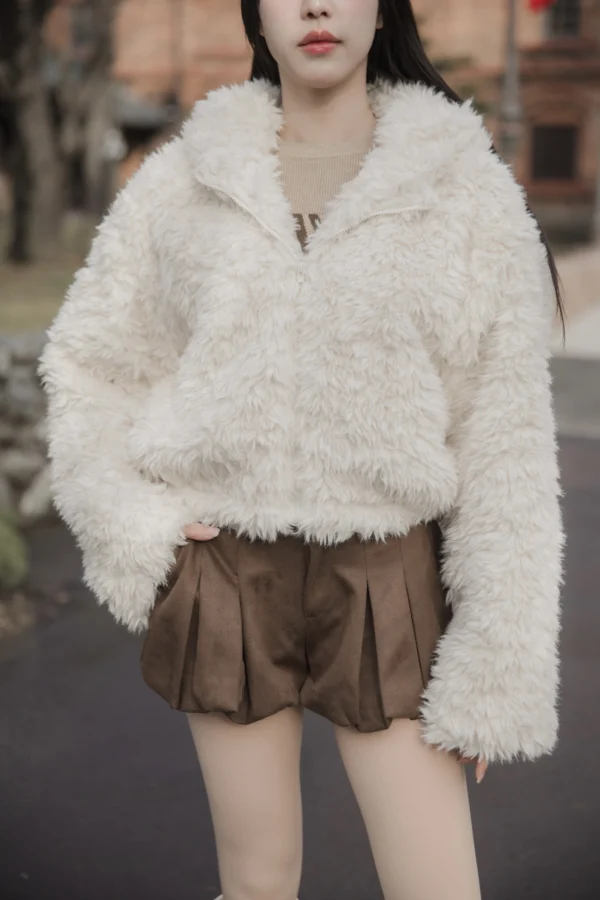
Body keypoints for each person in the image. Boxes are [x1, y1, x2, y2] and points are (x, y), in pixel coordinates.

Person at [37, 1, 566, 898]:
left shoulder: (463, 186)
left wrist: (498, 664)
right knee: (255, 885)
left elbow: (504, 435)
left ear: (382, 10)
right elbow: (91, 363)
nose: (316, 6)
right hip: (227, 569)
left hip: (389, 576)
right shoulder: (182, 182)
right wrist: (132, 520)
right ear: (256, 14)